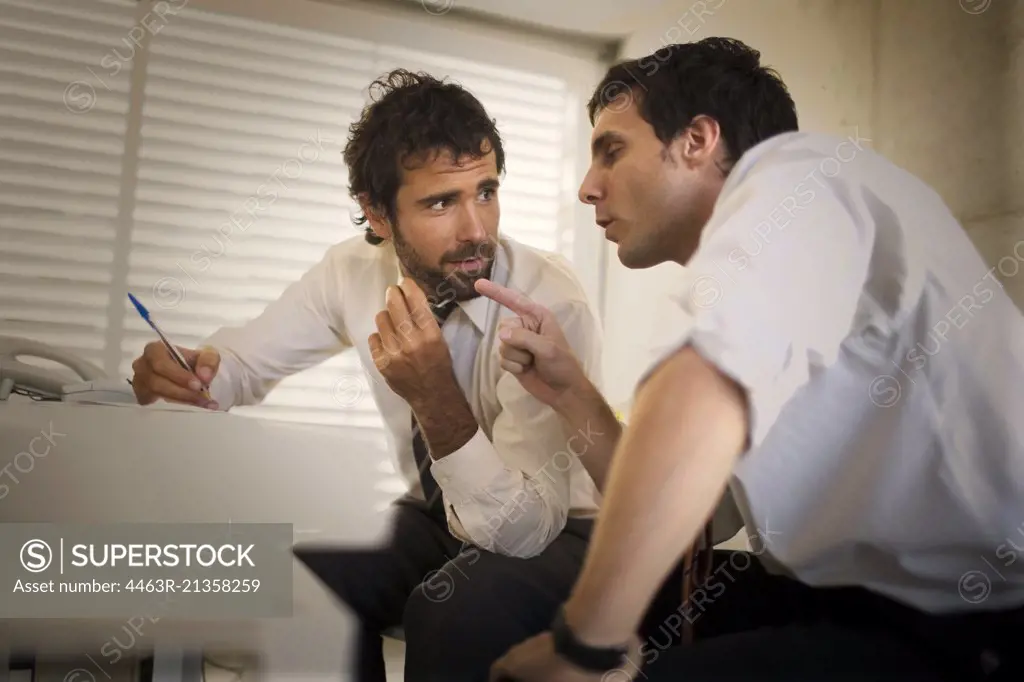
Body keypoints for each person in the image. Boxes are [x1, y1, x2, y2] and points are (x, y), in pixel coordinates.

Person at [481, 37, 1024, 682]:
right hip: (858, 596)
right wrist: (571, 393)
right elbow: (696, 518)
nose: (587, 189)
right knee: (497, 603)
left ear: (698, 139)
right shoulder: (781, 279)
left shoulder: (803, 180)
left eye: (612, 151)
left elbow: (702, 382)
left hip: (983, 618)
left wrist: (583, 645)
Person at [129, 69, 607, 682]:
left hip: (561, 531)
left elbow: (523, 530)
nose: (476, 229)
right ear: (377, 213)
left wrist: (436, 395)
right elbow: (243, 365)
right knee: (297, 583)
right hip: (437, 517)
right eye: (441, 202)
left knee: (451, 609)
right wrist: (190, 373)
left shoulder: (547, 305)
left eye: (485, 192)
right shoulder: (351, 272)